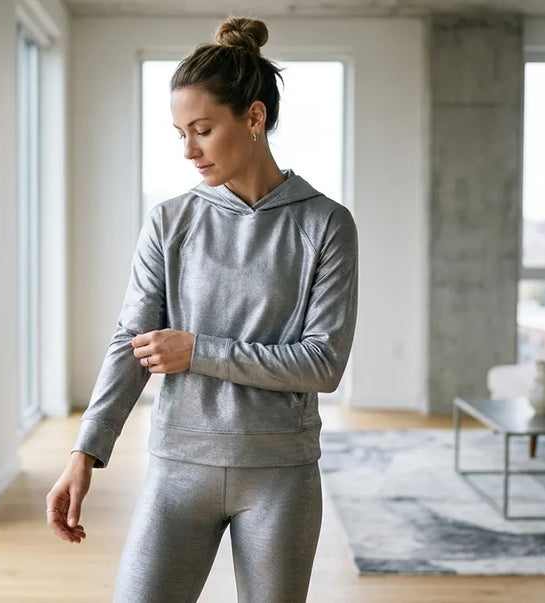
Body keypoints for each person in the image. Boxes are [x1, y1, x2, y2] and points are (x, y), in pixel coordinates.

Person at [46, 16, 358, 603]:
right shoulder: (171, 220)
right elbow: (131, 341)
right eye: (179, 133)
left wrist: (196, 351)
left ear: (255, 118)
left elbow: (323, 364)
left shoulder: (325, 224)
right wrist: (84, 452)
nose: (188, 149)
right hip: (177, 466)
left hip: (281, 477)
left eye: (203, 129)